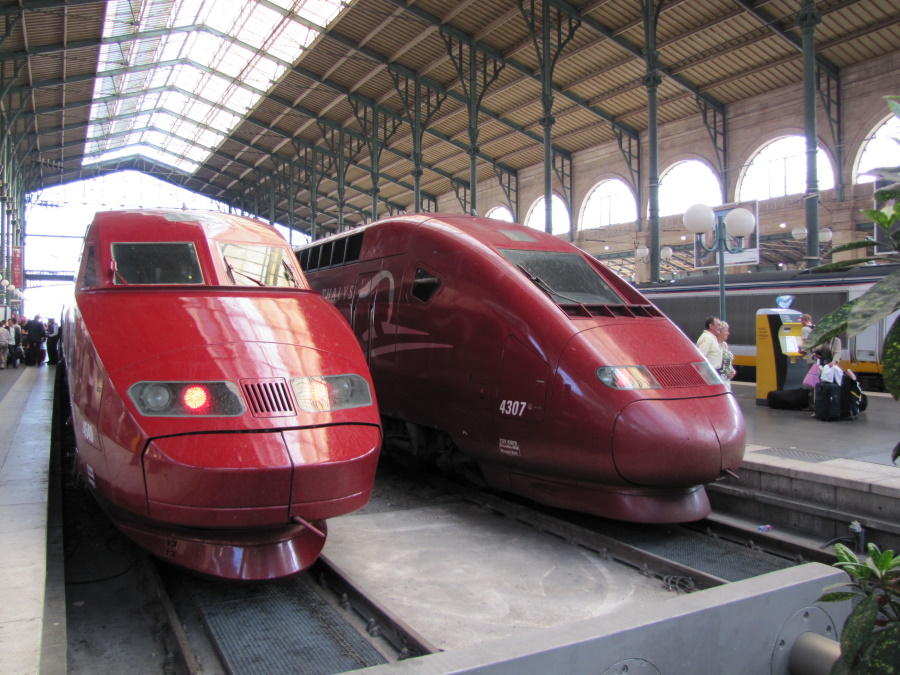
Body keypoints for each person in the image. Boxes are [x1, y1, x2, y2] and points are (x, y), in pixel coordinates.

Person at [716, 321, 736, 391]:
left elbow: (727, 361)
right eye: (725, 331)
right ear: (719, 332)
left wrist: (732, 370)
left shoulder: (725, 345)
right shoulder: (715, 345)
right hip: (719, 378)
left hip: (727, 379)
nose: (728, 333)